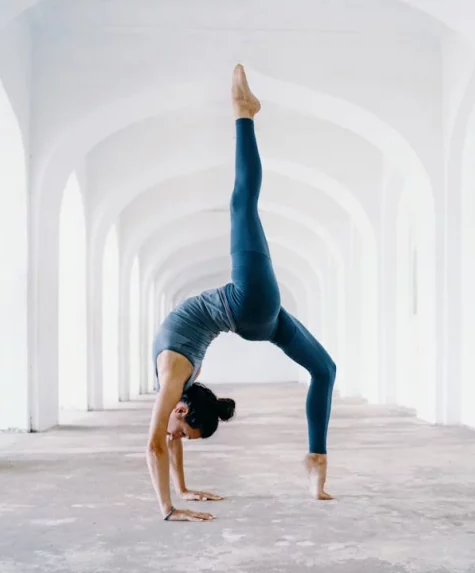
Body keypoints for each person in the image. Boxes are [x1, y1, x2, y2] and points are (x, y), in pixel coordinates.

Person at [145, 64, 337, 522]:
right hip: (252, 309)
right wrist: (182, 493)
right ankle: (243, 114)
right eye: (186, 435)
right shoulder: (178, 390)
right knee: (325, 371)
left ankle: (243, 114)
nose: (177, 438)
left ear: (182, 408)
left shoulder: (173, 377)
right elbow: (168, 438)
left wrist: (172, 506)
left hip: (251, 306)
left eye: (183, 434)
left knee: (325, 369)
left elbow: (154, 443)